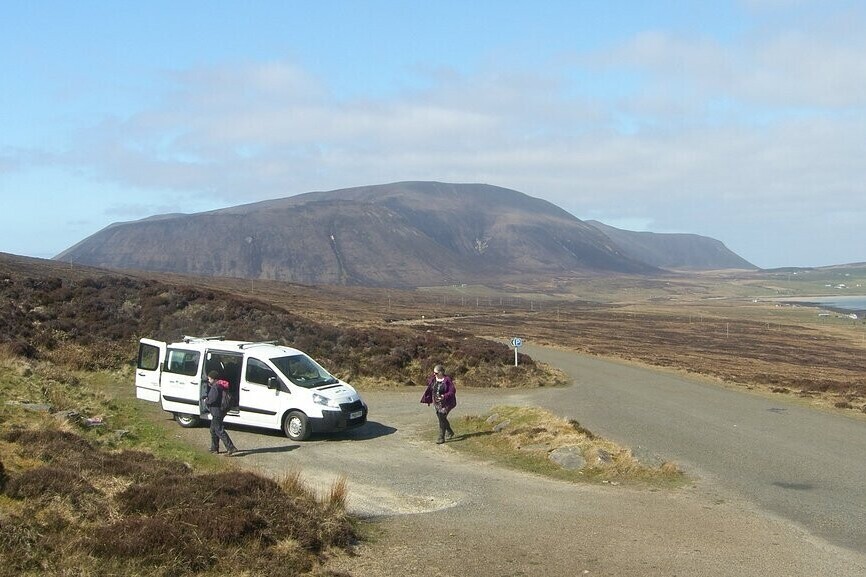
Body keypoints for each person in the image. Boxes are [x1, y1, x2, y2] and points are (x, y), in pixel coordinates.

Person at [204, 370, 238, 456]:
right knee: (213, 430)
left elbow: (212, 399)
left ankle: (231, 448)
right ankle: (214, 448)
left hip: (216, 411)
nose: (208, 380)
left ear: (213, 378)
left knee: (219, 430)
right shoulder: (221, 385)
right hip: (221, 410)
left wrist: (206, 401)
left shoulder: (215, 387)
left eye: (209, 379)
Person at [420, 364, 457, 444]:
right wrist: (428, 399)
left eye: (436, 373)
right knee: (442, 418)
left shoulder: (447, 380)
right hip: (436, 403)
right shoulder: (433, 379)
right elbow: (430, 388)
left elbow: (452, 391)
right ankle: (450, 431)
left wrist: (444, 396)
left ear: (441, 372)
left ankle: (441, 437)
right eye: (434, 373)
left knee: (441, 418)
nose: (434, 374)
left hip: (447, 403)